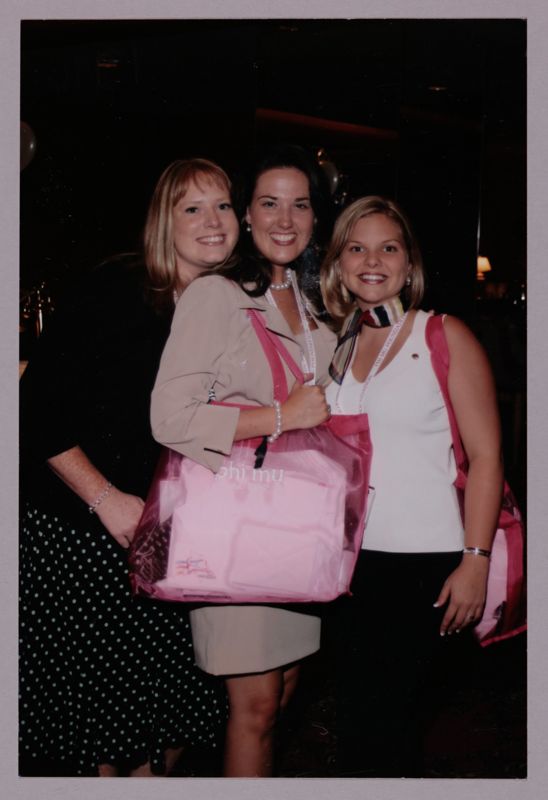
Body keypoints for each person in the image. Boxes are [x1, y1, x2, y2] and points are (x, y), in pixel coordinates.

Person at [19, 158, 240, 777]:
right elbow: (35, 414)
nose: (211, 221)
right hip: (84, 531)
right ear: (161, 221)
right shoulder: (116, 289)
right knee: (100, 728)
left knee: (171, 712)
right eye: (191, 208)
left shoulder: (228, 304)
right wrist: (106, 500)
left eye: (222, 206)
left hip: (173, 533)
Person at [150, 144, 337, 777]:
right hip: (238, 527)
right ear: (248, 219)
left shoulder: (315, 309)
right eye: (268, 203)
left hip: (298, 529)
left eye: (300, 204)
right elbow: (170, 418)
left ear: (316, 218)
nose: (285, 218)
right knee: (254, 708)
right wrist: (282, 418)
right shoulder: (217, 295)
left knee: (279, 697)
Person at [320, 195, 504, 777]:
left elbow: (487, 454)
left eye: (388, 247)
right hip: (347, 567)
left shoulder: (443, 334)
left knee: (391, 730)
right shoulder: (338, 343)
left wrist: (474, 560)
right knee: (354, 726)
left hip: (424, 565)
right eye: (357, 247)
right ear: (339, 262)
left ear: (409, 262)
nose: (372, 260)